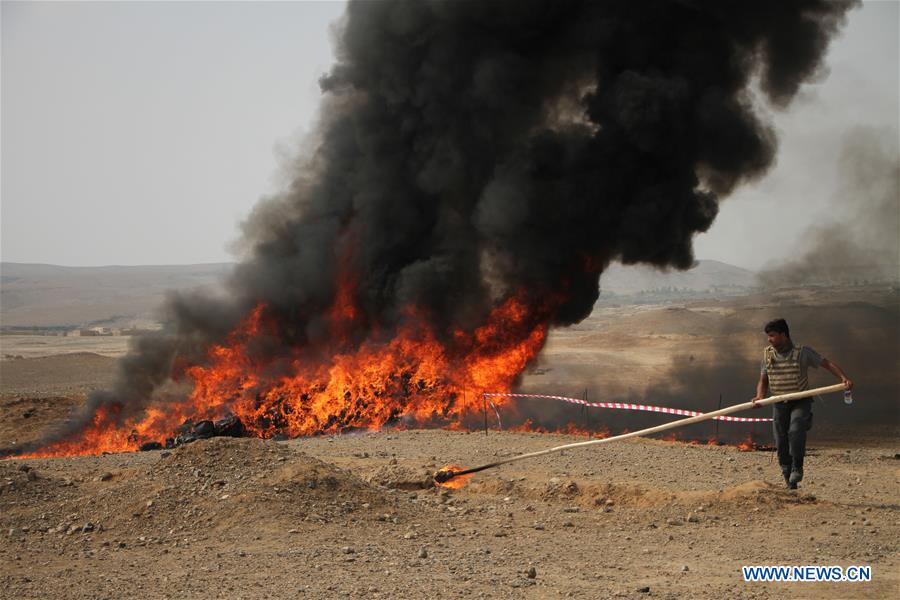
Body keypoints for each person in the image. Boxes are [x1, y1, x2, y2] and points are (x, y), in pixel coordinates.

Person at [751, 318, 852, 489]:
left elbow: (826, 363)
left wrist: (843, 378)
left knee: (796, 429)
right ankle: (787, 475)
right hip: (779, 403)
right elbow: (763, 379)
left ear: (784, 335)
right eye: (768, 336)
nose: (769, 339)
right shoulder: (768, 354)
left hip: (800, 401)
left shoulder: (802, 352)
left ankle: (797, 466)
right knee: (781, 440)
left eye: (772, 335)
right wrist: (760, 396)